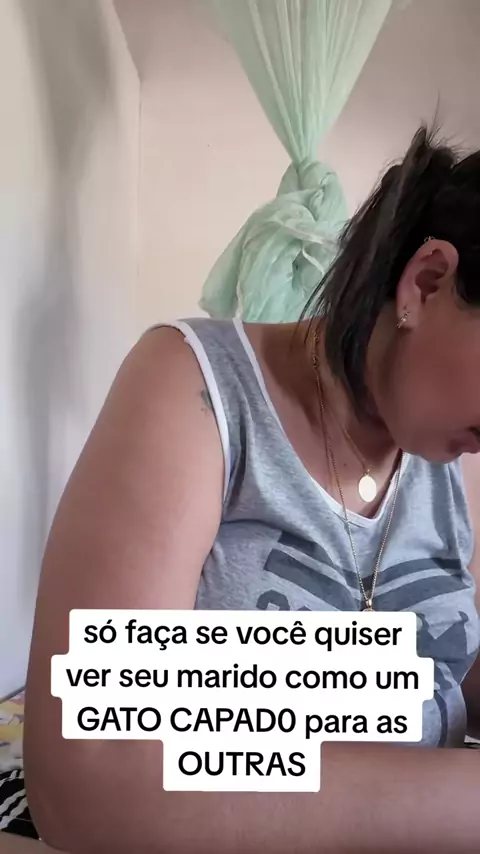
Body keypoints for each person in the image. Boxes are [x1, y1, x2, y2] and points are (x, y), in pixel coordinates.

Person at [24, 127, 480, 853]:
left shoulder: (436, 449)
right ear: (425, 283)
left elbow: (438, 667)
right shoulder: (195, 390)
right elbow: (89, 772)